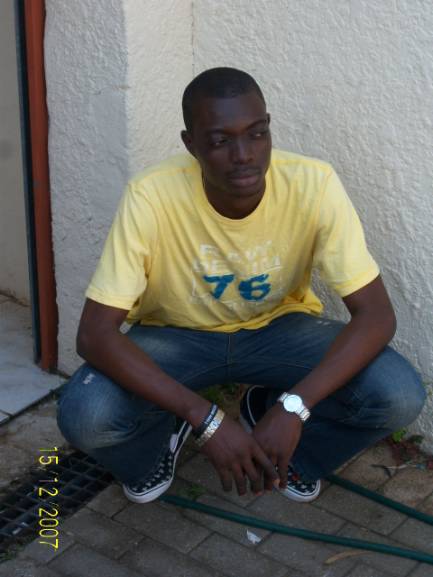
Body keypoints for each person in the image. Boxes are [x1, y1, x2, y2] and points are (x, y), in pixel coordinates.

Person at [57, 67, 426, 505]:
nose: (244, 155)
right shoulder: (151, 195)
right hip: (176, 337)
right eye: (220, 141)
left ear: (268, 127)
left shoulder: (313, 183)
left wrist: (294, 407)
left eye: (257, 134)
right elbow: (94, 334)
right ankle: (159, 442)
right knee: (85, 416)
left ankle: (282, 440)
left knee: (399, 394)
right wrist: (205, 418)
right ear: (191, 144)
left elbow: (377, 315)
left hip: (278, 331)